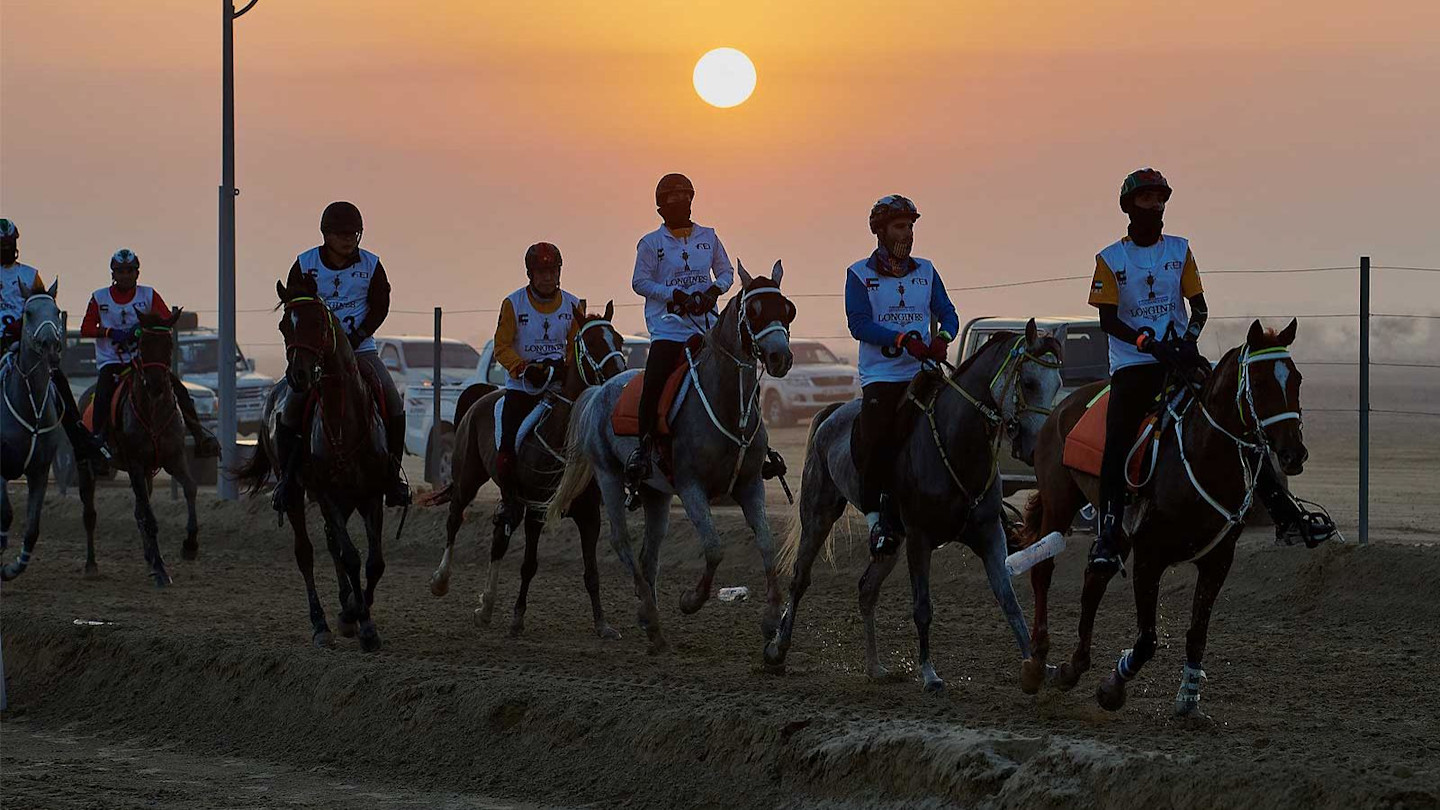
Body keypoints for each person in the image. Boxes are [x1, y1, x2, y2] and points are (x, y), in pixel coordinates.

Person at [1085, 168, 1331, 576]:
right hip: (1134, 365)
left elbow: (1198, 307)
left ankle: (1285, 513)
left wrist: (1187, 339)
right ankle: (1109, 534)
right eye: (1146, 199)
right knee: (1117, 441)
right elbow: (1108, 321)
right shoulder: (1109, 259)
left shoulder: (1180, 251)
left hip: (1182, 359)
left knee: (1237, 419)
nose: (1155, 206)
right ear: (1129, 206)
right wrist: (1148, 345)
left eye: (1160, 199)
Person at [272, 201, 409, 510]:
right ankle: (287, 480)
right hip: (316, 356)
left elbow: (380, 306)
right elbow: (293, 305)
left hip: (360, 351)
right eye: (341, 233)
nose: (349, 239)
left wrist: (357, 336)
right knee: (291, 407)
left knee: (393, 401)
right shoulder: (304, 264)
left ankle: (392, 477)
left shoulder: (371, 265)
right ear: (326, 235)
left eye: (354, 233)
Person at [844, 195, 958, 556]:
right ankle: (876, 522)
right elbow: (859, 325)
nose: (907, 233)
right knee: (877, 439)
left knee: (963, 423)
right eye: (899, 226)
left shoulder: (927, 270)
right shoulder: (859, 274)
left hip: (923, 371)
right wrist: (899, 338)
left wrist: (942, 338)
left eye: (910, 226)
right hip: (882, 375)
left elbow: (948, 313)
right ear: (879, 231)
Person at [624, 173, 735, 485]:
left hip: (708, 326)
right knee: (654, 381)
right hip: (669, 329)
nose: (681, 207)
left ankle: (756, 444)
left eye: (685, 200)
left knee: (738, 371)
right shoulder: (650, 243)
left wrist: (714, 291)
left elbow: (725, 271)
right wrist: (673, 295)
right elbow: (639, 282)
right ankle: (643, 450)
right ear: (661, 208)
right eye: (673, 202)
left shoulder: (709, 237)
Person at [83, 248, 220, 460]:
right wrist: (110, 332)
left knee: (179, 389)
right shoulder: (99, 297)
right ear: (113, 274)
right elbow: (86, 328)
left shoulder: (148, 294)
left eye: (130, 271)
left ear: (137, 273)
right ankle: (98, 441)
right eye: (121, 271)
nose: (125, 275)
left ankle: (199, 435)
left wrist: (140, 327)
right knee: (102, 394)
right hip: (112, 361)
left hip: (144, 361)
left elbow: (165, 320)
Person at [0, 218, 107, 464]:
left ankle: (80, 439)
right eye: (1, 244)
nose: (5, 248)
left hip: (26, 341)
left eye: (8, 243)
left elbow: (42, 305)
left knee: (57, 379)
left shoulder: (30, 274)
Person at [491, 241, 579, 530]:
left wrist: (561, 368)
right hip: (522, 388)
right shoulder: (513, 303)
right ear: (530, 274)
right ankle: (508, 500)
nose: (547, 277)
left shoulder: (573, 305)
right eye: (541, 272)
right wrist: (523, 368)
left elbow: (573, 347)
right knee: (507, 447)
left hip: (557, 387)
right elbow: (501, 346)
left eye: (552, 271)